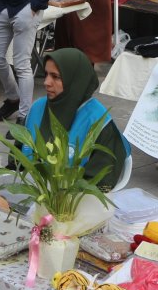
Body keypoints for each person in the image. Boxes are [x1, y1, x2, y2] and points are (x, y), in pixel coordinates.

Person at [27, 48, 130, 188]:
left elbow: (100, 183)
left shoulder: (98, 121)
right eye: (46, 74)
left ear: (75, 80)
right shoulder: (37, 108)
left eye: (55, 77)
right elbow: (17, 161)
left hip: (72, 203)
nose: (46, 82)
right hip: (31, 192)